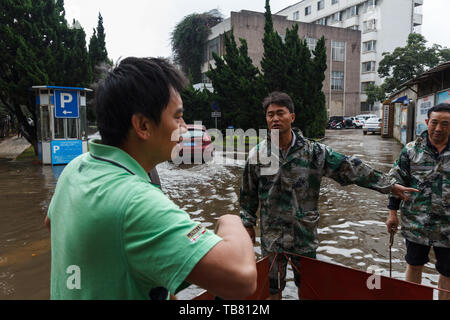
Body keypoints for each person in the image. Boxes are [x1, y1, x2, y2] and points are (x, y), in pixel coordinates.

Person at [45, 57, 257, 300]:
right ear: (143, 125)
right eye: (177, 117)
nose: (185, 128)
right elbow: (243, 278)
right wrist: (230, 220)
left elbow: (52, 222)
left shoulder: (75, 168)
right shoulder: (136, 202)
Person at [239, 91, 418, 300]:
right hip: (272, 238)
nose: (275, 119)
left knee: (309, 288)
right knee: (270, 290)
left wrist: (389, 186)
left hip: (303, 238)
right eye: (270, 115)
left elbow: (351, 167)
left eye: (281, 113)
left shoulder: (314, 152)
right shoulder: (258, 154)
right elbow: (247, 193)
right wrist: (247, 223)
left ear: (292, 117)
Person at [386, 103, 450, 300]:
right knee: (414, 265)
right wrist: (392, 214)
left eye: (445, 124)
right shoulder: (412, 150)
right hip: (416, 224)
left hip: (448, 227)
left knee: (448, 273)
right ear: (427, 122)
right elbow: (395, 181)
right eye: (435, 122)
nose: (439, 128)